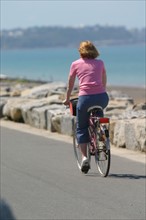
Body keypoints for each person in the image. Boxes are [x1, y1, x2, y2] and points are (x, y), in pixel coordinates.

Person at [63, 41, 109, 173]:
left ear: (80, 51)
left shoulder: (75, 64)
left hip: (85, 99)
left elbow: (70, 83)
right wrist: (102, 90)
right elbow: (104, 77)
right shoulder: (100, 63)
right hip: (102, 97)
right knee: (99, 120)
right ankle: (102, 141)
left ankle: (84, 158)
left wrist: (67, 98)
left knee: (81, 127)